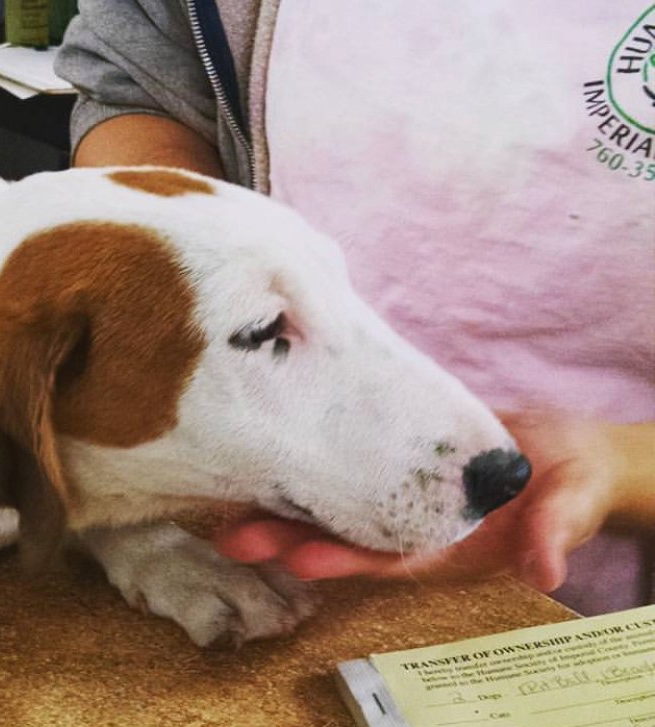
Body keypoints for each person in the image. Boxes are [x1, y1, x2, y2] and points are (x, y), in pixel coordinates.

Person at [56, 1, 655, 614]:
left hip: (606, 603)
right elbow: (138, 82)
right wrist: (198, 286)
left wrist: (624, 465)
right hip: (257, 536)